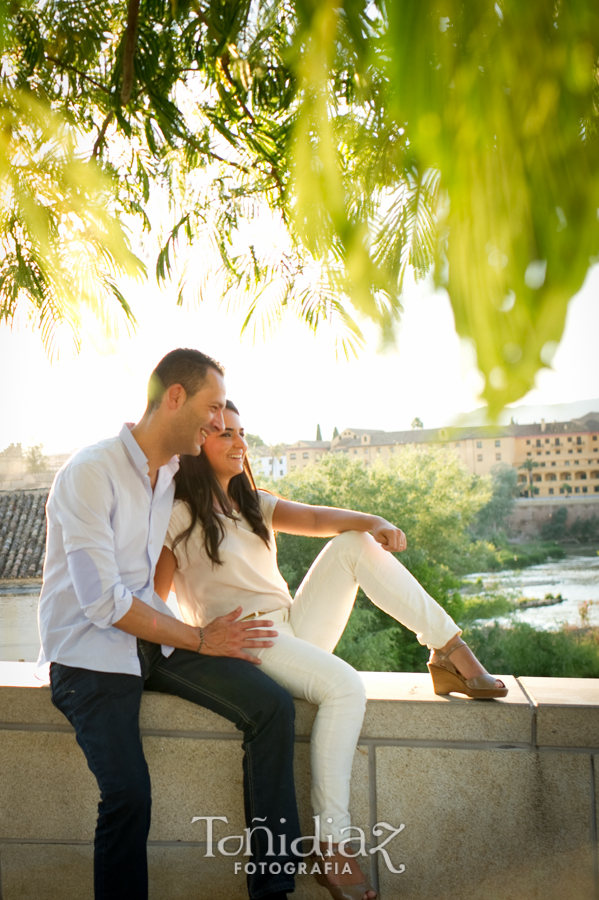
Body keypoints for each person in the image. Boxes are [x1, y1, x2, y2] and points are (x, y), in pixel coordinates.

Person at [155, 401, 508, 900]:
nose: (238, 443)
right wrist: (200, 640)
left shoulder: (253, 502)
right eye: (222, 434)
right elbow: (152, 600)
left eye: (240, 433)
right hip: (250, 640)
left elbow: (320, 518)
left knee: (355, 543)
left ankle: (448, 648)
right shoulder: (177, 517)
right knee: (345, 686)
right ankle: (332, 845)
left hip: (292, 625)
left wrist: (374, 519)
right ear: (196, 444)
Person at [38, 350, 301, 900]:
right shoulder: (90, 473)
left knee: (272, 705)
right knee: (129, 795)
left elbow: (238, 507)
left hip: (151, 643)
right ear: (175, 398)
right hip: (90, 660)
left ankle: (274, 888)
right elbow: (104, 603)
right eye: (211, 409)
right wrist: (202, 637)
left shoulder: (171, 476)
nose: (216, 424)